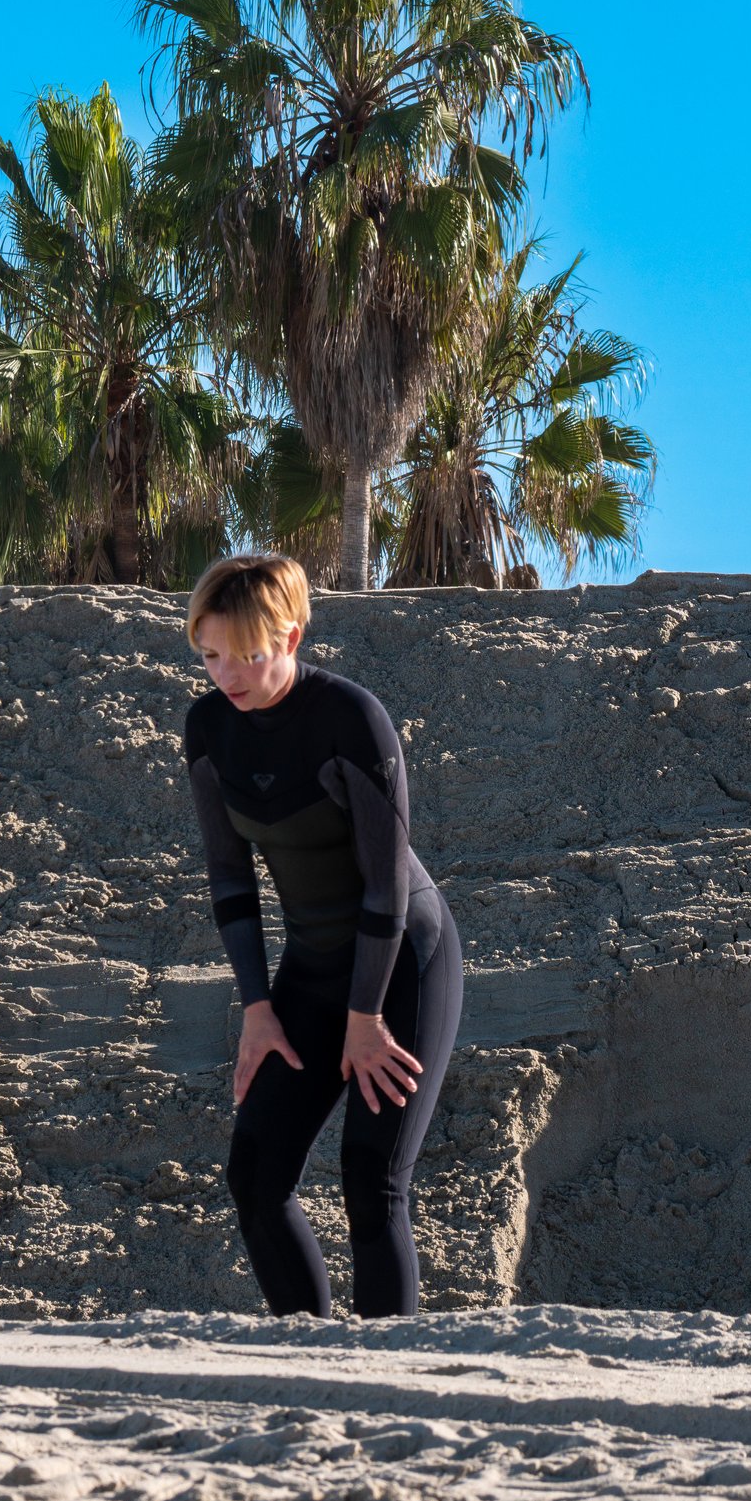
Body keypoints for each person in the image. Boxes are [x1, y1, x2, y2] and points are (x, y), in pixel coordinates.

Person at [180, 552, 462, 1318]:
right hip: (311, 967)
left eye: (248, 655)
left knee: (372, 1180)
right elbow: (230, 878)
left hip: (402, 959)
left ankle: (390, 1378)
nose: (227, 675)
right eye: (209, 655)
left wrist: (364, 1017)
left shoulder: (350, 718)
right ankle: (313, 1354)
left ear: (293, 635)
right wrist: (257, 1007)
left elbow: (386, 885)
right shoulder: (208, 726)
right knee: (256, 1175)